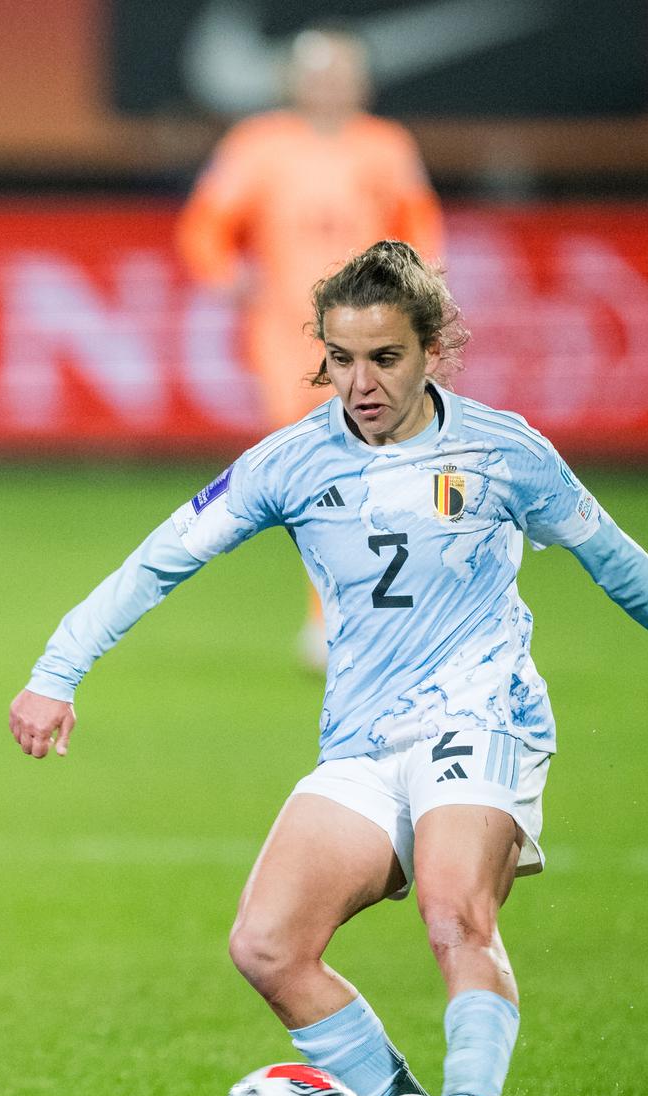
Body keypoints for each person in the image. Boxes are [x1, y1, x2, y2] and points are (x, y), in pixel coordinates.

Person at [8, 241, 648, 1096]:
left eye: (384, 357)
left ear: (433, 353)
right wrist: (58, 669)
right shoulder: (291, 461)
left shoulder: (504, 452)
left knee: (455, 910)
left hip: (482, 714)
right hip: (364, 740)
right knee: (267, 946)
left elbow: (617, 561)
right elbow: (162, 558)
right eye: (340, 358)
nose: (360, 382)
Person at [177, 28, 444, 669]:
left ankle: (389, 610)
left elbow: (422, 229)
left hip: (375, 338)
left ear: (361, 83)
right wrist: (225, 274)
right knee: (320, 473)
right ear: (293, 82)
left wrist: (422, 298)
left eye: (340, 75)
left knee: (382, 469)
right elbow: (204, 225)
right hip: (285, 335)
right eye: (316, 75)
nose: (328, 87)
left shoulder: (386, 146)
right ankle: (331, 617)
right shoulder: (258, 145)